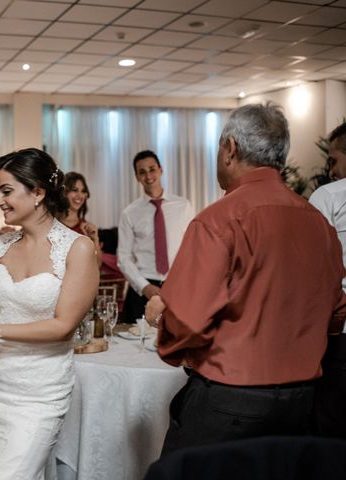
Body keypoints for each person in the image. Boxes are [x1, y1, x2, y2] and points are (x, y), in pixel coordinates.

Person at [145, 104, 346, 453]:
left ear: (230, 149)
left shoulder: (218, 220)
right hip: (301, 403)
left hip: (230, 403)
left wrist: (160, 315)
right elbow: (336, 312)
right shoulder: (318, 223)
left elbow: (188, 320)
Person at [0, 148, 99, 478]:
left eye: (6, 191)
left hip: (38, 393)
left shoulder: (78, 249)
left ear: (38, 193)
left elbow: (62, 327)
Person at [117, 150, 194, 323]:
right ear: (137, 177)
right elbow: (123, 257)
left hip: (176, 286)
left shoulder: (184, 206)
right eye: (142, 172)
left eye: (152, 169)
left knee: (179, 339)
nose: (148, 175)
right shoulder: (129, 213)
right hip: (143, 288)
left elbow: (192, 249)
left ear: (161, 170)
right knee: (136, 344)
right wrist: (144, 287)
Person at [308, 121, 346, 438]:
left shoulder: (328, 195)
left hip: (340, 335)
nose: (331, 170)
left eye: (334, 160)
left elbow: (311, 270)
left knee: (331, 433)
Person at [58, 171, 102, 265]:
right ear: (64, 193)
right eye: (74, 190)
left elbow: (97, 265)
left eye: (83, 191)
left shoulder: (87, 229)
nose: (80, 196)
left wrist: (95, 240)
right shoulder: (52, 225)